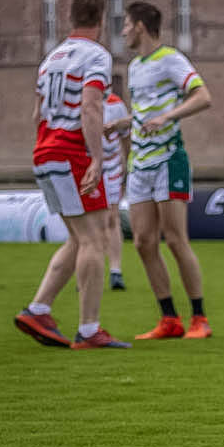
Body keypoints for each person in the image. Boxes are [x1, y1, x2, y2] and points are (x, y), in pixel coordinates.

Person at [12, 0, 131, 349]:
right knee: (95, 239)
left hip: (45, 150)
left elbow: (37, 114)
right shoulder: (96, 55)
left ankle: (38, 309)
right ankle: (90, 329)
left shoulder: (51, 59)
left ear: (70, 17)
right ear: (101, 19)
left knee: (78, 237)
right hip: (70, 153)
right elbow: (91, 107)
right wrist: (96, 157)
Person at [122, 2, 214, 340]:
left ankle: (199, 318)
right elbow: (145, 112)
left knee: (175, 240)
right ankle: (169, 319)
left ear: (141, 27)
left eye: (126, 25)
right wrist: (123, 122)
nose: (123, 31)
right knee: (144, 243)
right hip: (140, 163)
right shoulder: (134, 67)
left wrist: (169, 117)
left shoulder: (171, 59)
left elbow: (203, 97)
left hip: (168, 159)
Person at [101, 80, 132, 291]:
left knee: (112, 217)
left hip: (111, 166)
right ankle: (86, 270)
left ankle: (115, 271)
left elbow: (125, 138)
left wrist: (127, 166)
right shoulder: (81, 103)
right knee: (90, 223)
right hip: (86, 165)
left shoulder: (116, 104)